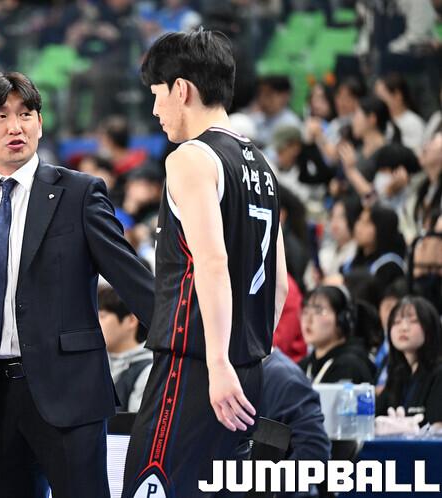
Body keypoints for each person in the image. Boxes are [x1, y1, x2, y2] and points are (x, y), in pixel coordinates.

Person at [0, 72, 154, 498]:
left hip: (70, 391)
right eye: (1, 116)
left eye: (25, 114)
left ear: (40, 122)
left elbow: (134, 281)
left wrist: (187, 351)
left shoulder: (79, 193)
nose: (15, 127)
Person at [123, 30, 288, 498]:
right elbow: (278, 283)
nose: (155, 110)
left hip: (196, 368)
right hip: (247, 368)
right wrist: (245, 355)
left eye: (157, 94)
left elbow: (211, 263)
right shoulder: (261, 164)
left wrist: (217, 362)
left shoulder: (191, 158)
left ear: (181, 89)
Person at [377, 296, 442, 427]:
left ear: (430, 327)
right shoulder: (397, 373)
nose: (403, 328)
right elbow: (375, 416)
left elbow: (438, 428)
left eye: (413, 321)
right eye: (396, 322)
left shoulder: (438, 372)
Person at [299, 286, 377, 385]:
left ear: (342, 319)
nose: (308, 320)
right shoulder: (304, 365)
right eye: (305, 312)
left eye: (319, 311)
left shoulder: (350, 366)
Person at [98, 284, 153, 413]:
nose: (95, 323)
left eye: (102, 316)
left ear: (131, 320)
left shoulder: (147, 371)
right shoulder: (95, 365)